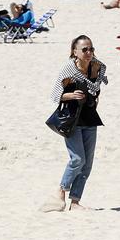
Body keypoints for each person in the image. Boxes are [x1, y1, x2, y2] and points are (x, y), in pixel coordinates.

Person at [42, 35, 107, 212]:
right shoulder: (69, 69)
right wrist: (71, 95)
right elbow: (55, 95)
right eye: (84, 49)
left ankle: (75, 202)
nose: (89, 53)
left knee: (87, 165)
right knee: (77, 159)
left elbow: (96, 89)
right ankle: (61, 191)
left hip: (90, 117)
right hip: (72, 118)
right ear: (74, 52)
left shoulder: (97, 67)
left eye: (91, 49)